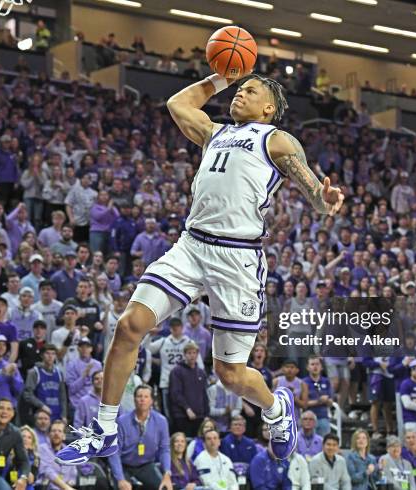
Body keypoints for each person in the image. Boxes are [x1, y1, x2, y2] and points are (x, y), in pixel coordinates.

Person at [56, 70, 344, 464]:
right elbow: (177, 104)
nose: (240, 94)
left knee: (230, 374)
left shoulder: (276, 139)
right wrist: (221, 76)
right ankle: (105, 430)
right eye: (239, 88)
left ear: (269, 107)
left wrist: (323, 196)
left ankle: (277, 411)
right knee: (128, 326)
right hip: (191, 246)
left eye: (250, 90)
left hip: (236, 259)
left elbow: (313, 193)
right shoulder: (216, 131)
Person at [108, 385, 172, 490]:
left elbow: (164, 449)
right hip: (124, 465)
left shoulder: (161, 421)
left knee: (164, 487)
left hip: (146, 465)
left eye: (146, 397)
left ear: (151, 401)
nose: (142, 399)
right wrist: (120, 479)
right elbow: (114, 452)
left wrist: (167, 473)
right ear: (134, 400)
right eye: (139, 396)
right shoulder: (121, 422)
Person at [169, 341, 209, 436]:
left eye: (194, 353)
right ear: (184, 354)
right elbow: (175, 393)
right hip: (182, 415)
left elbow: (204, 394)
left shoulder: (201, 373)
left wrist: (207, 414)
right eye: (189, 353)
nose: (192, 355)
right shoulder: (177, 371)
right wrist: (187, 409)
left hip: (199, 416)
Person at [22, 344, 67, 424]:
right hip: (40, 415)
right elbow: (27, 394)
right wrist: (42, 406)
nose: (50, 356)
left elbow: (62, 397)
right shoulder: (34, 372)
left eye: (53, 354)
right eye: (47, 353)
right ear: (42, 355)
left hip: (57, 416)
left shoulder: (59, 373)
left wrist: (64, 415)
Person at [38, 420, 78, 490]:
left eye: (59, 431)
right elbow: (47, 471)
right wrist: (65, 487)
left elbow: (73, 474)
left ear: (64, 436)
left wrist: (70, 483)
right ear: (49, 434)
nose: (56, 433)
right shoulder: (42, 449)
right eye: (53, 431)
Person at [302, 356, 334, 436]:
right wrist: (319, 401)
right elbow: (303, 404)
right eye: (312, 364)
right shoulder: (303, 382)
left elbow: (331, 402)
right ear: (307, 367)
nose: (315, 367)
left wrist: (327, 401)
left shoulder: (326, 381)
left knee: (324, 443)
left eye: (317, 364)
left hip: (323, 417)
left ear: (321, 367)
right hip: (308, 419)